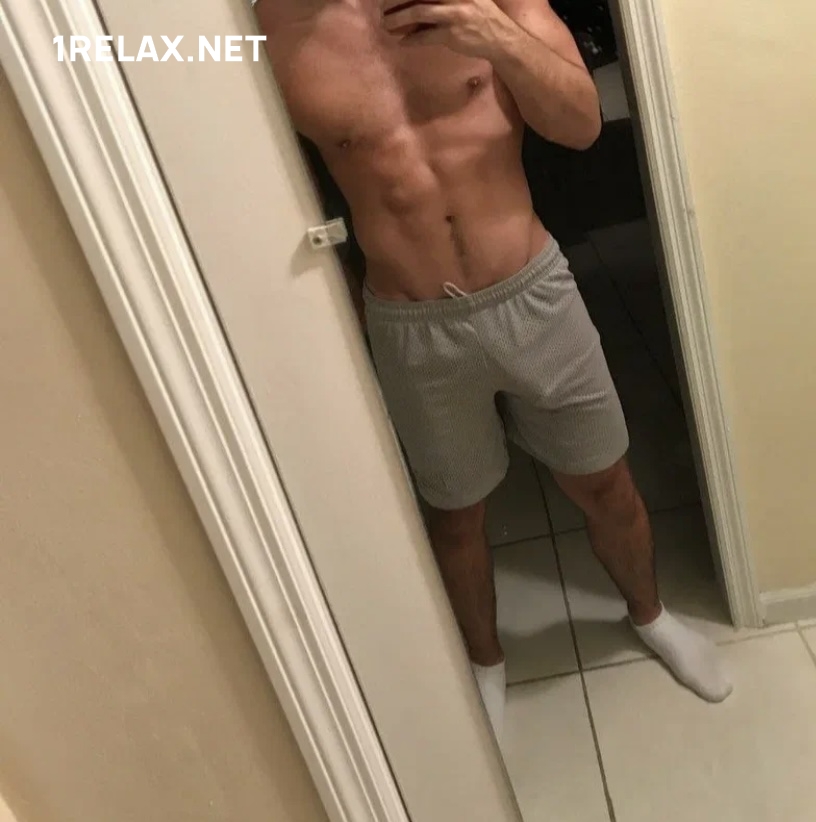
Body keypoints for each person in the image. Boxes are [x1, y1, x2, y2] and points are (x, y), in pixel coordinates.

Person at [254, 0, 733, 744]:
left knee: (606, 483)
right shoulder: (263, 27)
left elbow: (581, 125)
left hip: (533, 293)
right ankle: (484, 663)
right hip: (410, 321)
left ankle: (651, 616)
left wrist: (496, 37)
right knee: (455, 514)